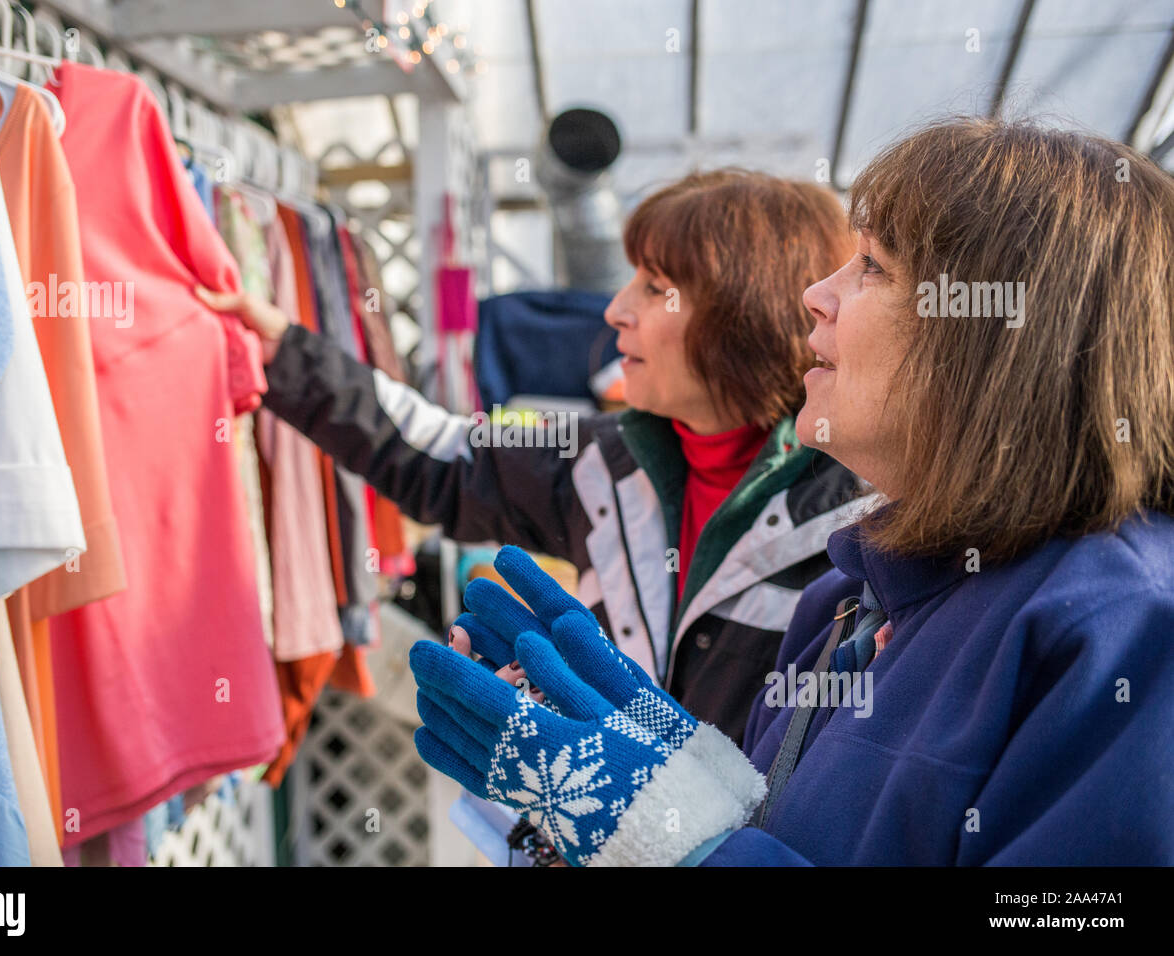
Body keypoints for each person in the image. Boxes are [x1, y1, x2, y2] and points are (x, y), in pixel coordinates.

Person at [409, 118, 1174, 866]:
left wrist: (677, 845)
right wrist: (680, 774)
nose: (814, 294)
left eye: (871, 265)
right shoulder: (848, 597)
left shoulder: (1124, 630)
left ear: (1002, 328)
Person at [202, 169, 867, 744]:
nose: (614, 310)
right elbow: (441, 454)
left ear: (743, 316)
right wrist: (288, 355)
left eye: (653, 286)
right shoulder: (602, 458)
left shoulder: (863, 522)